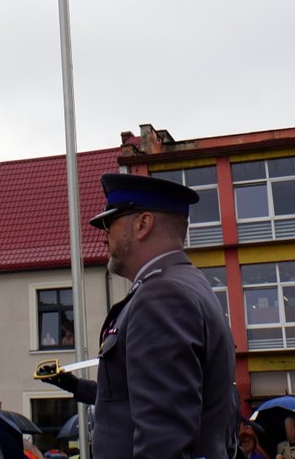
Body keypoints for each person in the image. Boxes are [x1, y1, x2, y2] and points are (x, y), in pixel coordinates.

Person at [39, 173, 237, 458]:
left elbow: (164, 442)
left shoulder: (161, 297)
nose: (104, 235)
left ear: (143, 224)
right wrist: (72, 385)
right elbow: (126, 400)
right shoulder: (186, 285)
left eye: (110, 223)